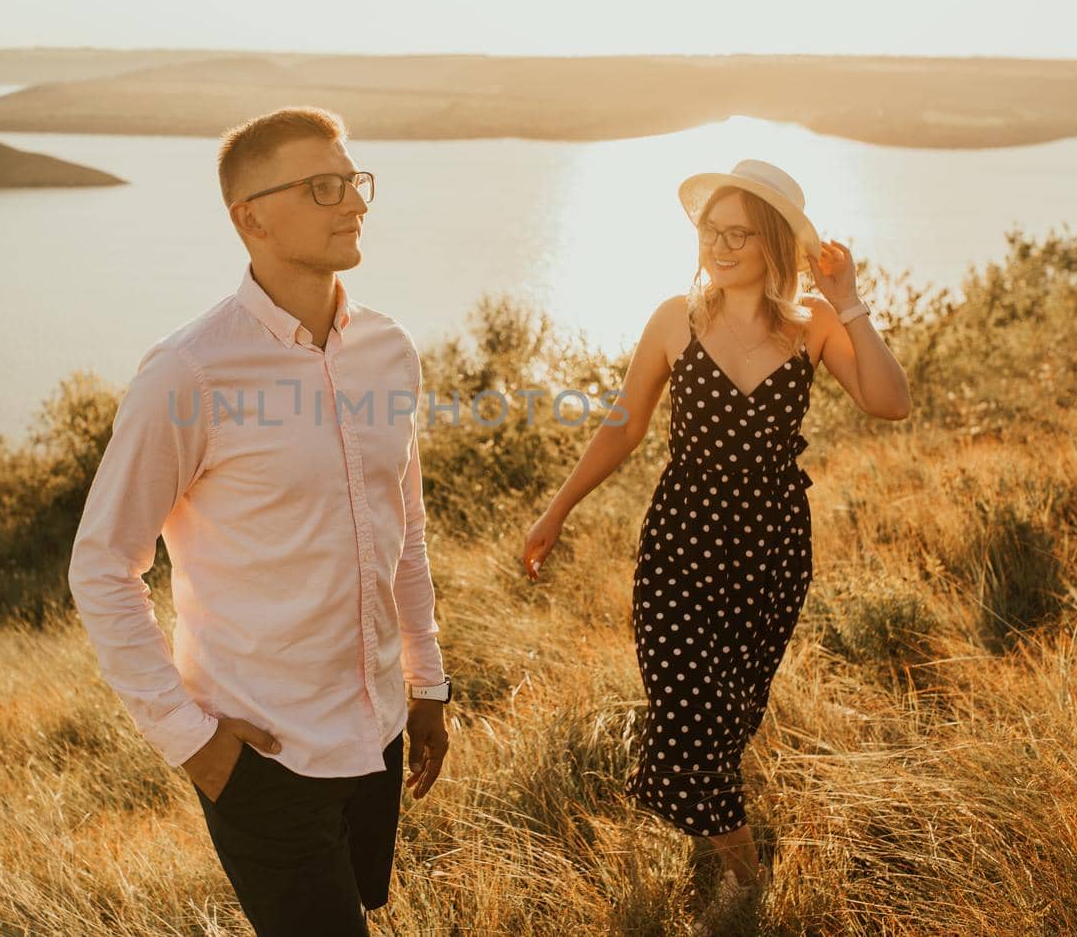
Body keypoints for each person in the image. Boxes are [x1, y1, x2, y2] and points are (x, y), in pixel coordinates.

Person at [67, 106, 453, 937]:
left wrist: (427, 683)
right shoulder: (189, 373)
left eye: (353, 182)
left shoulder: (389, 351)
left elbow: (404, 529)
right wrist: (194, 744)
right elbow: (102, 566)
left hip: (380, 728)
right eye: (323, 187)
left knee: (360, 909)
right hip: (264, 755)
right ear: (251, 217)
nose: (352, 202)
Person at [519, 159, 910, 928]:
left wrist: (852, 303)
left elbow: (889, 403)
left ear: (772, 244)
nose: (721, 246)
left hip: (769, 549)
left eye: (739, 233)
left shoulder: (812, 326)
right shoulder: (676, 318)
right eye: (710, 231)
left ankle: (709, 837)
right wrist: (557, 509)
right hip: (681, 540)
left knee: (728, 715)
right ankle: (745, 876)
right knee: (687, 703)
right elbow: (624, 426)